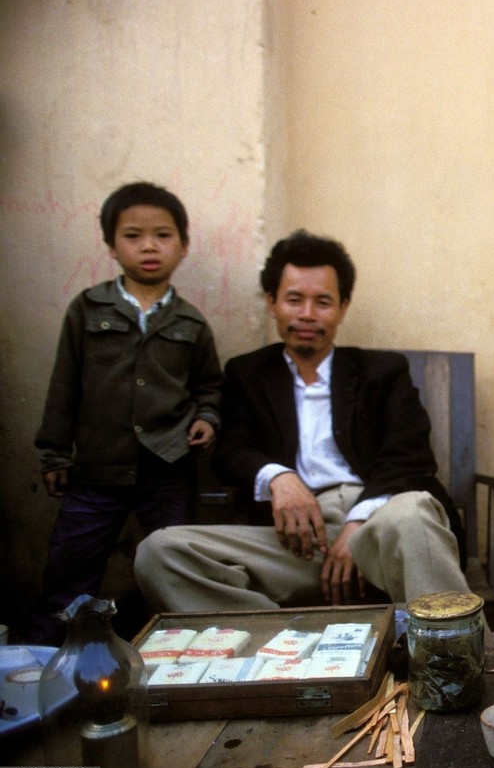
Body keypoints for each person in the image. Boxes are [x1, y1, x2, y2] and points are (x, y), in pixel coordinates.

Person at [134, 230, 469, 611]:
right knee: (159, 552)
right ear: (272, 303)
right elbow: (231, 451)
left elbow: (410, 455)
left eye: (323, 302)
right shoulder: (247, 373)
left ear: (342, 307)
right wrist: (277, 477)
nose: (307, 314)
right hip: (297, 542)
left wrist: (357, 523)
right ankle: (278, 649)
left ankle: (453, 659)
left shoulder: (381, 371)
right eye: (294, 299)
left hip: (383, 528)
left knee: (412, 513)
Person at [32, 181, 222, 644]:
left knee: (175, 567)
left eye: (163, 235)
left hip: (168, 469)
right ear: (111, 246)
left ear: (183, 246)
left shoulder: (191, 323)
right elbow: (64, 385)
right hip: (96, 471)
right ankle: (45, 665)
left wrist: (207, 419)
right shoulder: (88, 308)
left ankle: (175, 657)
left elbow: (209, 387)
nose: (149, 247)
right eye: (133, 235)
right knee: (69, 575)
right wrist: (55, 454)